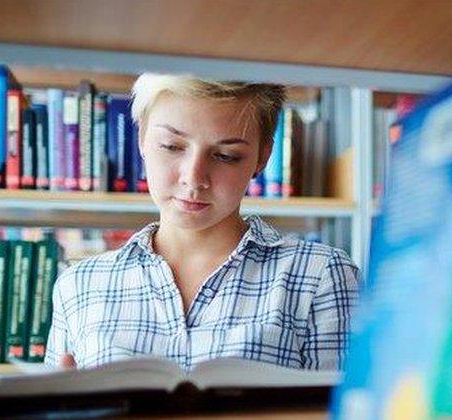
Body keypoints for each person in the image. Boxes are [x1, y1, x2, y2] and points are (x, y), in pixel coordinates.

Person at [45, 74, 361, 372]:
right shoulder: (78, 285)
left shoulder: (322, 276)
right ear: (141, 137)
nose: (194, 179)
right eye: (171, 146)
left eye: (226, 155)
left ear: (263, 157)